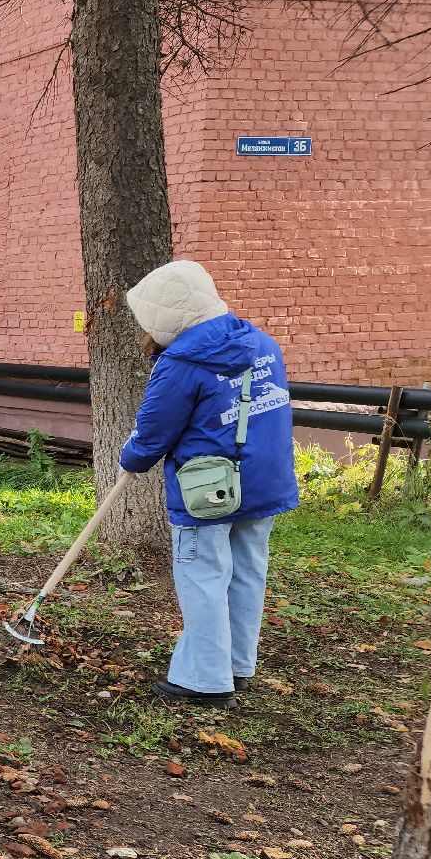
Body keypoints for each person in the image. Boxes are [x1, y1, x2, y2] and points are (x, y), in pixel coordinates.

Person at [119, 261, 300, 708]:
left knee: (202, 576)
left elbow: (154, 432)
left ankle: (205, 679)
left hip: (207, 488)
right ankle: (237, 666)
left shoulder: (180, 362)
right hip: (264, 480)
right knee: (246, 575)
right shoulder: (262, 344)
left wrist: (132, 456)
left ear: (160, 318)